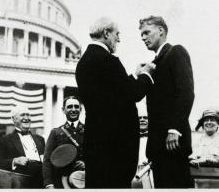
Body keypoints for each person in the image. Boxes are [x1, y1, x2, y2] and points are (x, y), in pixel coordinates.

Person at [75, 17, 155, 188]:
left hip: (96, 145)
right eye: (116, 34)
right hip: (115, 148)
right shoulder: (108, 61)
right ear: (106, 33)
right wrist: (146, 74)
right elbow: (133, 94)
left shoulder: (84, 62)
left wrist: (134, 76)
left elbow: (114, 94)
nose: (118, 39)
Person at [139, 15, 195, 188]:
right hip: (158, 147)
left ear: (161, 30)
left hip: (173, 143)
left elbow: (186, 92)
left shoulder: (176, 52)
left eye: (147, 32)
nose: (143, 38)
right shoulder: (153, 64)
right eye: (141, 35)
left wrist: (174, 129)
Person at [42, 96, 85, 189]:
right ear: (63, 110)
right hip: (61, 183)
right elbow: (47, 160)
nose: (73, 109)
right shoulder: (56, 132)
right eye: (69, 107)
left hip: (83, 181)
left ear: (80, 109)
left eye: (76, 107)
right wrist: (49, 184)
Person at [0, 104, 45, 188]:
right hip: (20, 184)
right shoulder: (5, 140)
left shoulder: (40, 139)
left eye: (28, 115)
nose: (26, 118)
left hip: (41, 182)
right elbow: (0, 162)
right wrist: (15, 161)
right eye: (22, 115)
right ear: (14, 119)